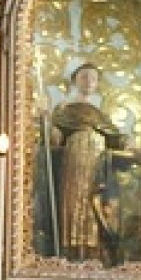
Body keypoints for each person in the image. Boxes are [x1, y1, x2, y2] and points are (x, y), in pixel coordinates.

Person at [47, 63, 125, 262]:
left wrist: (125, 140)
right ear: (75, 80)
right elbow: (55, 137)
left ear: (98, 83)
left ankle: (95, 249)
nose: (89, 81)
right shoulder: (65, 108)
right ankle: (74, 248)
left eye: (93, 77)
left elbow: (113, 134)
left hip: (98, 159)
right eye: (84, 76)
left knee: (95, 199)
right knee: (76, 199)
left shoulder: (101, 112)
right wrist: (52, 129)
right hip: (75, 155)